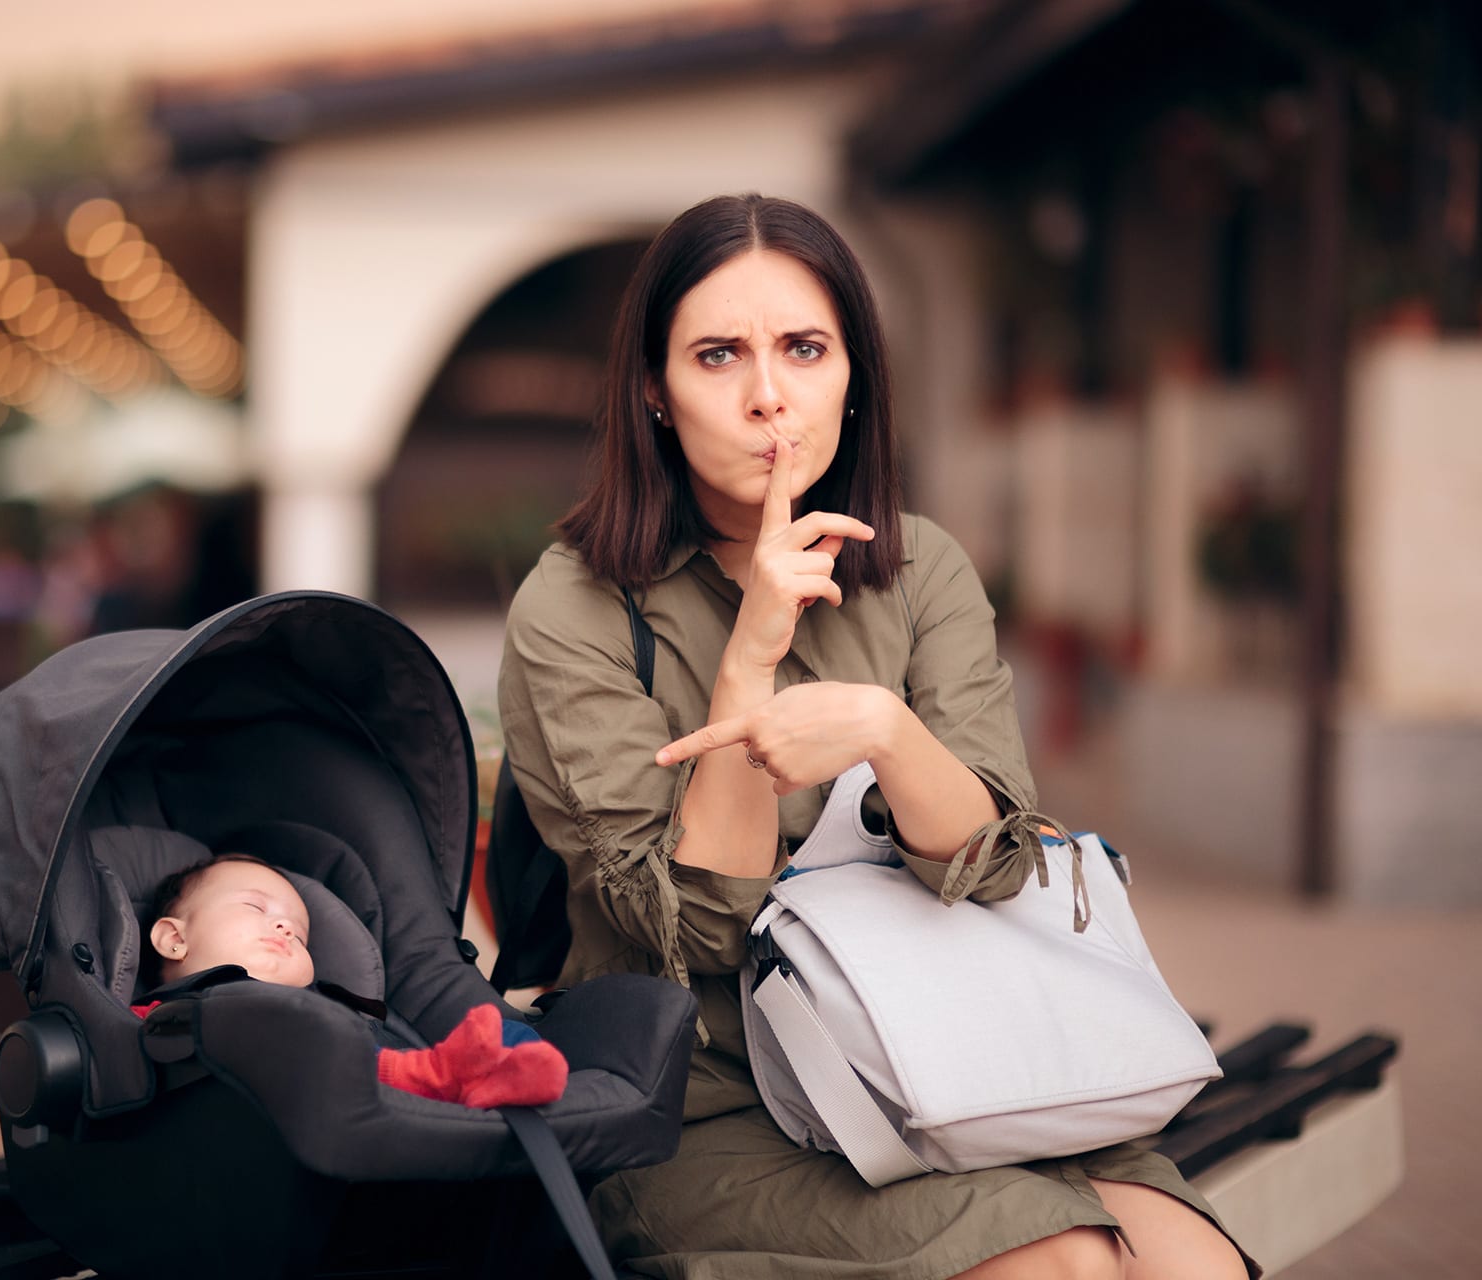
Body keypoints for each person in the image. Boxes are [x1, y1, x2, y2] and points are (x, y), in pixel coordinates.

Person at [497, 193, 1253, 1280]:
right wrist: (746, 662)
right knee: (1066, 1265)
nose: (769, 396)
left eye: (804, 348)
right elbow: (699, 932)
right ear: (654, 392)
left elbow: (994, 870)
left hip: (951, 1058)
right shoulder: (575, 606)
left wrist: (889, 733)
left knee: (1195, 1267)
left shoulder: (919, 567)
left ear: (854, 377)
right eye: (718, 355)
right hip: (704, 1106)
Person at [138, 854, 566, 1108]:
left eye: (299, 932)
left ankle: (506, 1065)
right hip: (291, 1094)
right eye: (255, 907)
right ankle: (448, 1075)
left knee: (501, 1030)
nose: (285, 927)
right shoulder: (156, 1020)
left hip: (355, 1071)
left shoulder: (332, 1006)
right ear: (174, 939)